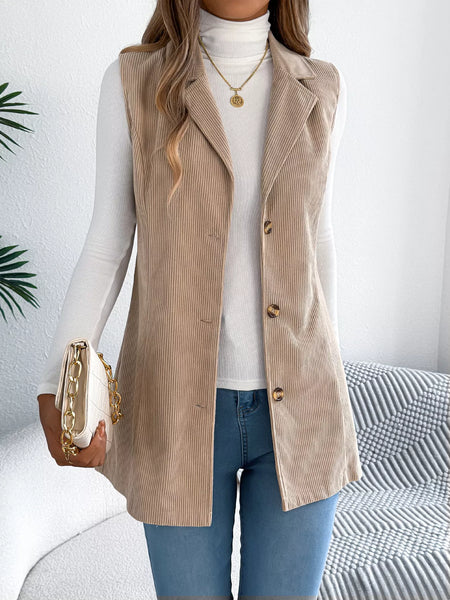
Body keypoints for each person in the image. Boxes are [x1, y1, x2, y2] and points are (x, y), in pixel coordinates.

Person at [37, 1, 362, 597]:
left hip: (304, 409)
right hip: (174, 408)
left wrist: (331, 374)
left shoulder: (322, 89)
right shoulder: (135, 83)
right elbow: (107, 245)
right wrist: (58, 377)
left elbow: (319, 238)